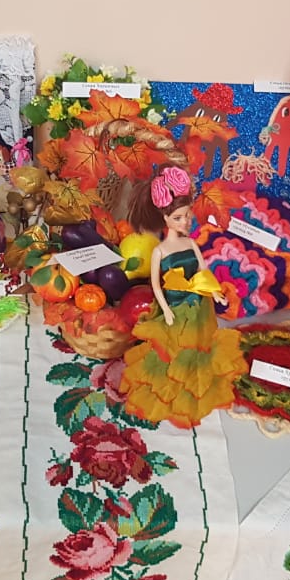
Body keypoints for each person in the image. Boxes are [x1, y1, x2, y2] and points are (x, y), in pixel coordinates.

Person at [118, 165, 248, 428]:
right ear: (165, 218)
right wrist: (165, 309)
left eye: (187, 216)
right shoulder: (159, 251)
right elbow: (156, 286)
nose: (185, 222)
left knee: (200, 346)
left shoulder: (191, 244)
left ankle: (193, 379)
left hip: (198, 305)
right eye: (178, 218)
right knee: (171, 350)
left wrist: (215, 293)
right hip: (175, 307)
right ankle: (172, 387)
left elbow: (202, 270)